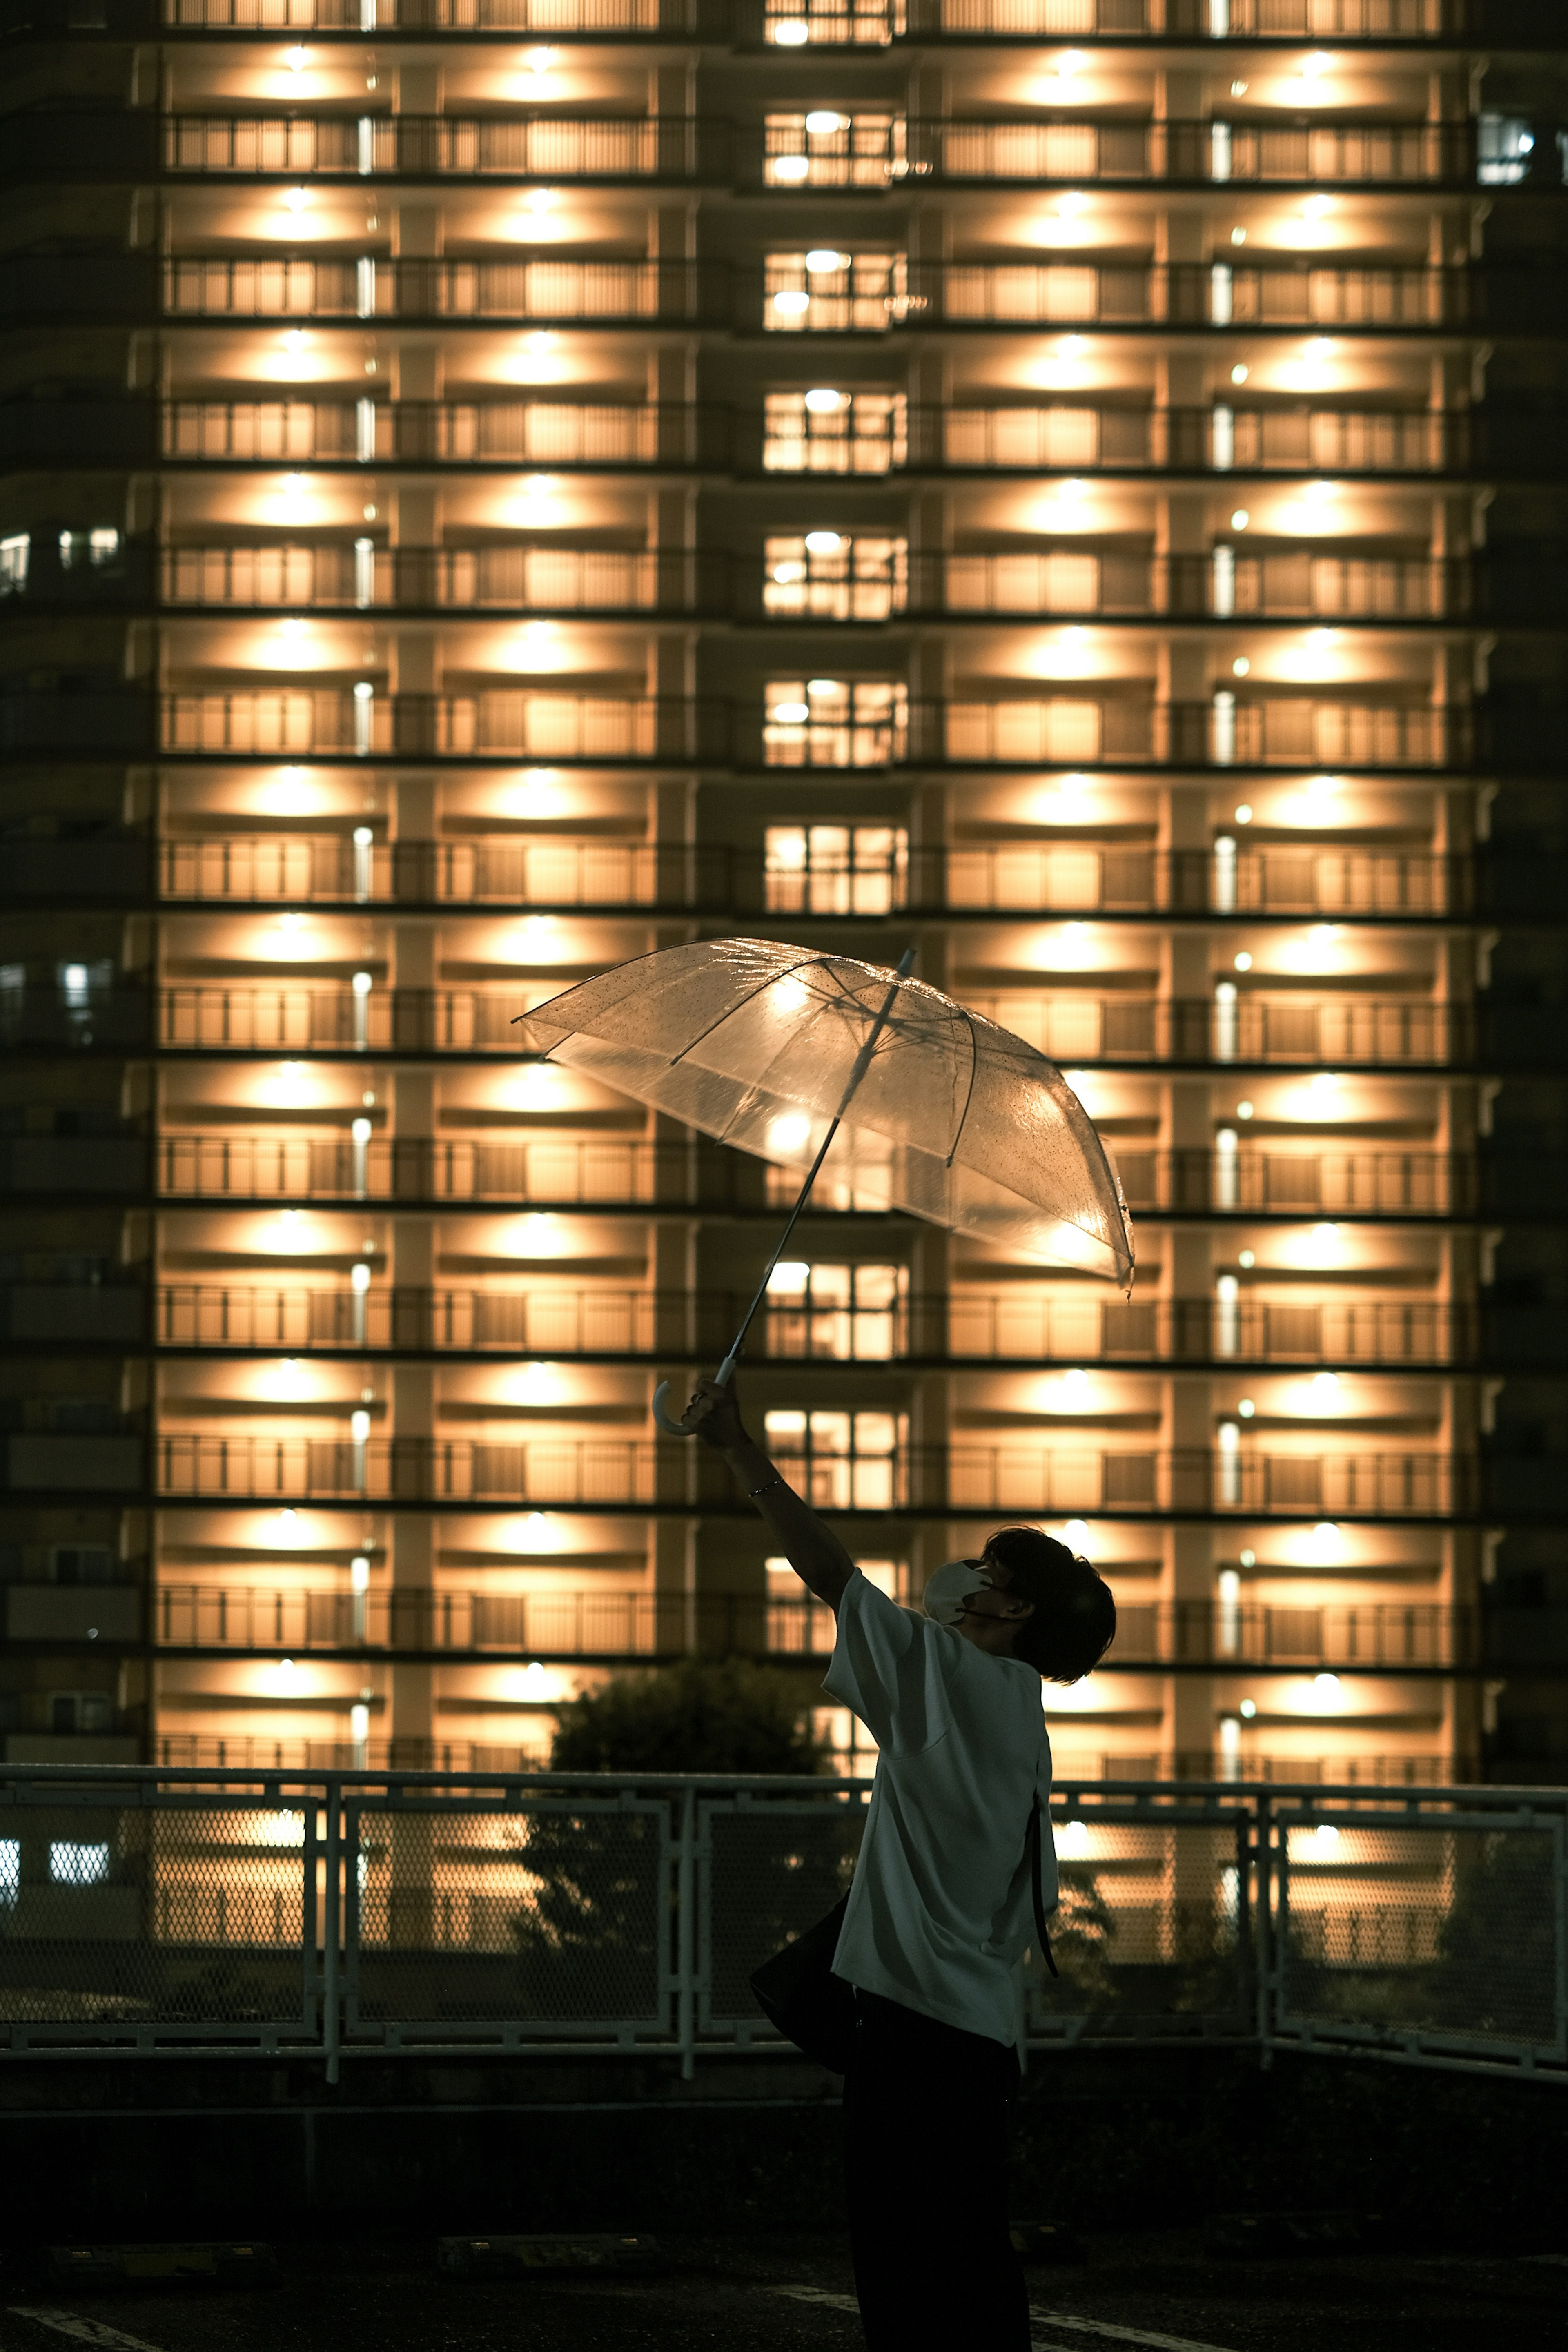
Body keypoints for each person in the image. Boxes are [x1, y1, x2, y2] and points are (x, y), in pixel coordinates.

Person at [675, 1375, 1117, 2352]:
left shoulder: (951, 1678)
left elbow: (835, 1578)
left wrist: (739, 1447)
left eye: (989, 1568)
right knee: (969, 2264)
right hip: (980, 2041)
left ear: (1012, 1604)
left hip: (914, 2039)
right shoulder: (1018, 1713)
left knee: (904, 2274)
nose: (965, 1572)